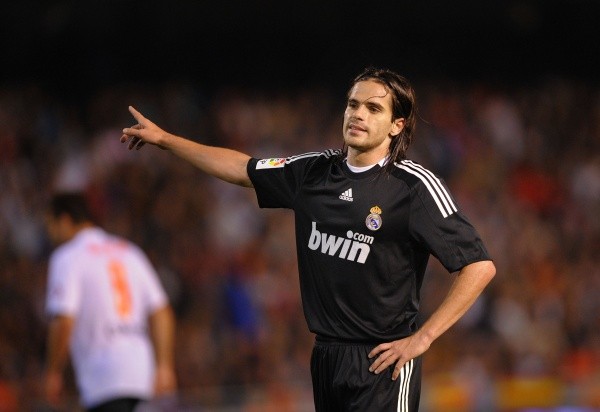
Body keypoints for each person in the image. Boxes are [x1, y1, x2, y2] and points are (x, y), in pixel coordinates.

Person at [120, 67, 496, 411]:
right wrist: (165, 139)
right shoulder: (314, 171)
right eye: (353, 104)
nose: (358, 114)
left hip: (385, 362)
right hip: (327, 358)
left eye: (373, 108)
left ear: (397, 125)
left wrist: (424, 337)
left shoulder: (413, 187)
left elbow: (478, 266)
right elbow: (242, 168)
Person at [43, 192, 177, 412]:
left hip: (103, 376)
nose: (50, 233)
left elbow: (63, 320)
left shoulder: (67, 257)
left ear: (64, 220)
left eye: (50, 224)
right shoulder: (129, 251)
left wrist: (53, 371)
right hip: (142, 373)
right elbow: (161, 311)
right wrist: (164, 365)